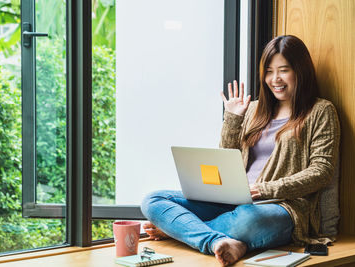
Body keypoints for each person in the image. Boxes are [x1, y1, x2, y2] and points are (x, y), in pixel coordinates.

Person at [141, 35, 340, 266]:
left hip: (282, 207)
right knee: (153, 199)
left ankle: (182, 230)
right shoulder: (254, 109)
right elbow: (226, 158)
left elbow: (321, 171)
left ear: (301, 71)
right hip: (233, 200)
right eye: (268, 71)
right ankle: (217, 241)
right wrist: (233, 118)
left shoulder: (321, 111)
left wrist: (263, 190)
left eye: (284, 70)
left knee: (248, 220)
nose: (275, 79)